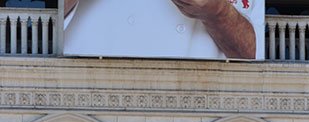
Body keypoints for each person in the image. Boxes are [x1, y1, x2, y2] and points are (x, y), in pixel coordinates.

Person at [63, 0, 265, 60]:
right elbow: (48, 13)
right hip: (91, 106)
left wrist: (219, 14)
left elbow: (261, 60)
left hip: (204, 115)